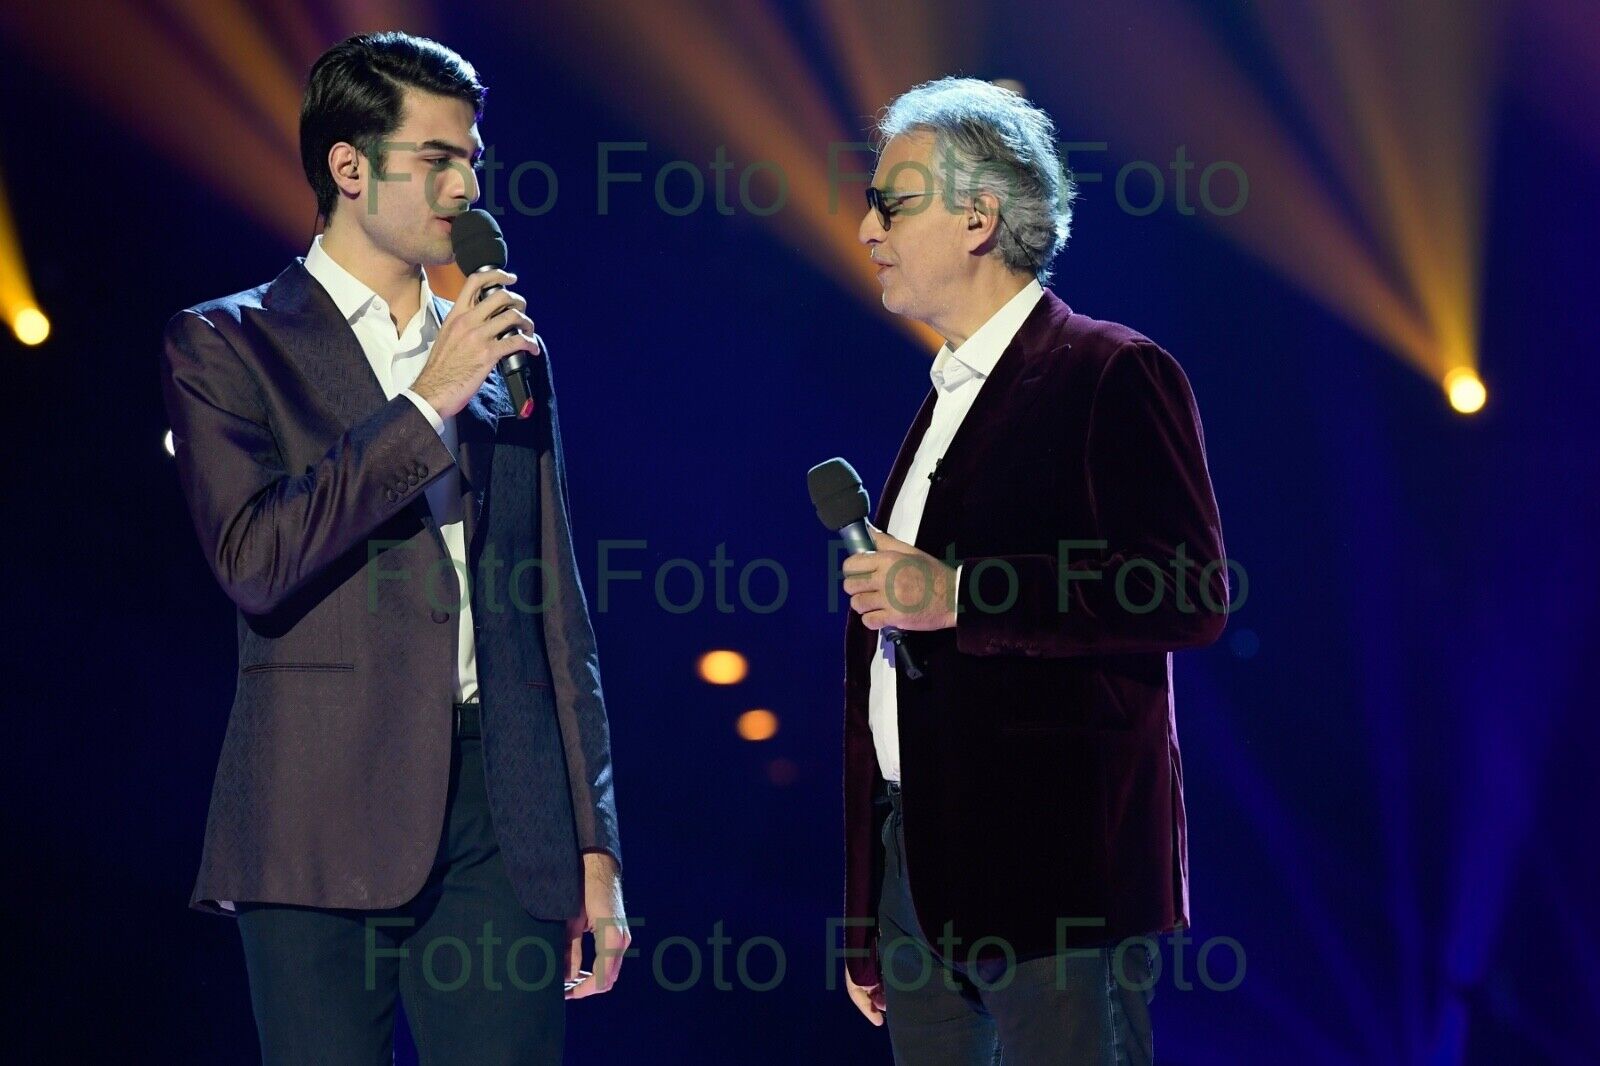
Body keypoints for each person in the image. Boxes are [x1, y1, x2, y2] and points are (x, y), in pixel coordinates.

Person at [158, 32, 626, 1064]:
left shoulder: (503, 346)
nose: (463, 184)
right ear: (349, 166)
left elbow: (557, 608)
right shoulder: (228, 342)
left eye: (471, 158)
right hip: (317, 811)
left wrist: (594, 840)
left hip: (500, 812)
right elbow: (254, 558)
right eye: (436, 159)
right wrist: (424, 406)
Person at [837, 77, 1229, 1064]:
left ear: (977, 218)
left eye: (892, 203)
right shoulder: (942, 401)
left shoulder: (1110, 371)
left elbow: (1183, 588)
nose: (865, 227)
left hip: (1059, 890)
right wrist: (869, 910)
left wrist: (961, 593)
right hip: (919, 883)